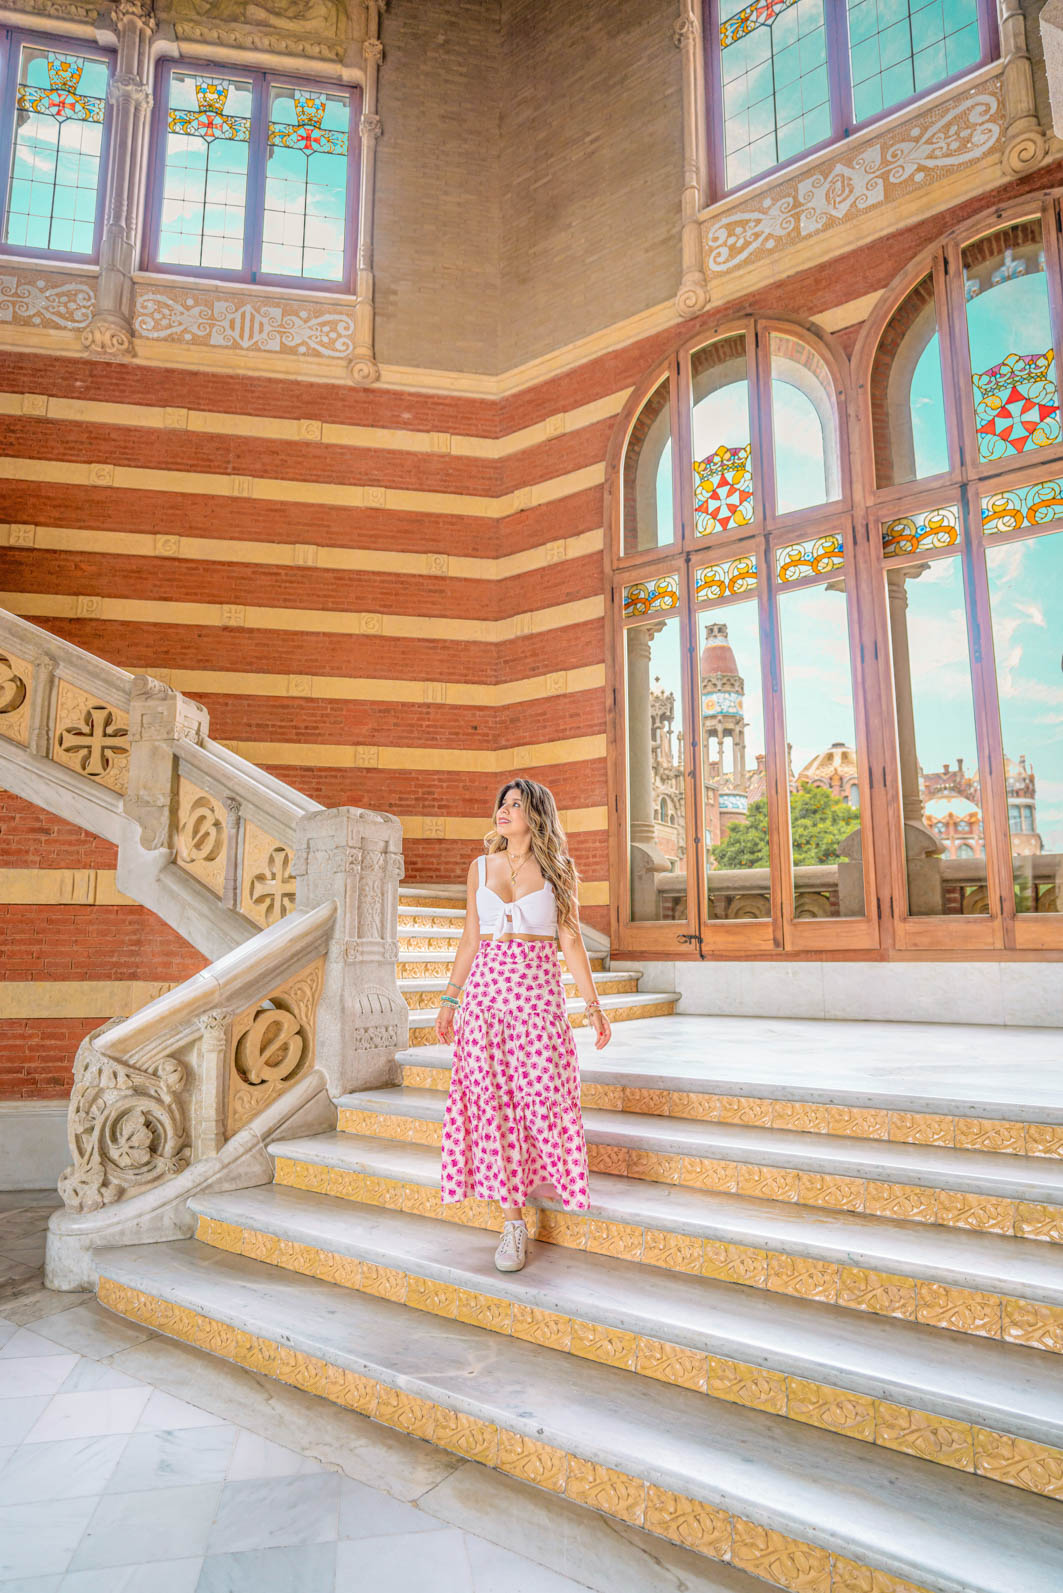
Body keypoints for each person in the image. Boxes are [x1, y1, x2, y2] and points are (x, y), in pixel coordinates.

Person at [435, 777, 612, 1272]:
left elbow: (571, 942)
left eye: (516, 804)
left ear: (535, 815)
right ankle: (512, 1222)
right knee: (492, 1107)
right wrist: (450, 998)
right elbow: (471, 938)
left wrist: (593, 1006)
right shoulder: (479, 868)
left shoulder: (558, 870)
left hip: (537, 1001)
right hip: (485, 1002)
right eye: (502, 803)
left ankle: (553, 1176)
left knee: (542, 1097)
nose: (504, 810)